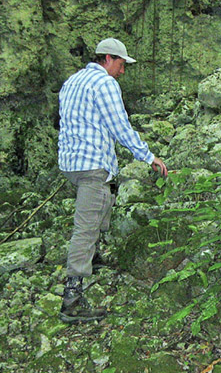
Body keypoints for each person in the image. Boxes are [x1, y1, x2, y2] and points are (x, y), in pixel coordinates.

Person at [57, 38, 167, 323]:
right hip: (92, 164)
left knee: (105, 195)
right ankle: (72, 297)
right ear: (107, 59)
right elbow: (120, 125)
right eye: (120, 64)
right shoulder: (105, 84)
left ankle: (93, 257)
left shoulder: (72, 82)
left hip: (72, 163)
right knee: (86, 226)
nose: (122, 71)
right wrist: (148, 156)